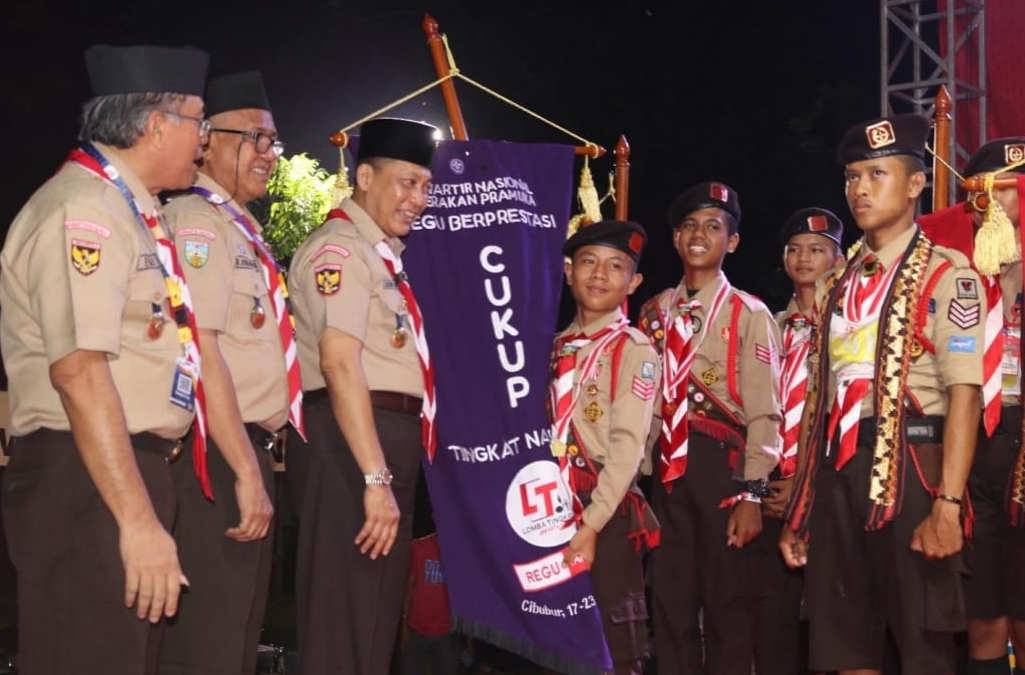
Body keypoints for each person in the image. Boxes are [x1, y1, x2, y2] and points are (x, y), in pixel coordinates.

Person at [0, 44, 209, 675]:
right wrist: (137, 521)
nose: (204, 138)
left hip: (121, 473)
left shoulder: (130, 211)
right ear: (157, 126)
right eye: (199, 120)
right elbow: (78, 371)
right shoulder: (83, 210)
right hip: (87, 478)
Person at [779, 113, 985, 675]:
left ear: (916, 183)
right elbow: (819, 398)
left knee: (925, 645)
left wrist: (948, 503)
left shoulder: (948, 275)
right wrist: (802, 504)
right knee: (845, 642)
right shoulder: (837, 282)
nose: (860, 189)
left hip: (915, 468)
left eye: (876, 174)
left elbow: (964, 395)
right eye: (852, 177)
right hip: (839, 470)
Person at [158, 70, 302, 675]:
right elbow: (202, 349)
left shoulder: (241, 229)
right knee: (208, 643)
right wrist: (244, 470)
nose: (269, 154)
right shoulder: (196, 223)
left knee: (237, 640)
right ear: (206, 141)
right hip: (213, 456)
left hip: (243, 450)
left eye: (273, 141)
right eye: (254, 139)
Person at [286, 117, 438, 675]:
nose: (418, 199)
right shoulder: (342, 250)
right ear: (366, 177)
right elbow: (338, 362)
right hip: (351, 444)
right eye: (406, 182)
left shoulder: (380, 255)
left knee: (371, 619)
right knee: (343, 620)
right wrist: (375, 477)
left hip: (377, 439)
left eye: (425, 186)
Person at [638, 182, 782, 675]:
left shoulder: (749, 313)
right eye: (689, 226)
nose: (699, 235)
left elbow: (765, 411)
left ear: (732, 242)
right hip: (667, 471)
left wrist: (753, 493)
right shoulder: (654, 312)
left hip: (724, 470)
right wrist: (635, 476)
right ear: (676, 239)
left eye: (713, 227)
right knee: (670, 601)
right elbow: (647, 404)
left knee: (728, 604)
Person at [920, 137, 1025, 675]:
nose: (1003, 202)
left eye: (1015, 190)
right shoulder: (951, 269)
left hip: (1021, 437)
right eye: (992, 191)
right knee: (981, 612)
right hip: (968, 436)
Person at [553, 219, 661, 675]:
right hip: (550, 508)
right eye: (588, 262)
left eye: (615, 266)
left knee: (614, 648)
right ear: (568, 272)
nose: (599, 274)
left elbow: (627, 449)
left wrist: (591, 524)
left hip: (605, 510)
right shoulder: (551, 349)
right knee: (557, 645)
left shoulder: (634, 350)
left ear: (632, 283)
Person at [757, 207, 845, 675]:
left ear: (838, 259)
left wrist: (807, 486)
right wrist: (759, 489)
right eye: (794, 249)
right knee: (774, 621)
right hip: (773, 491)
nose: (804, 258)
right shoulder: (769, 326)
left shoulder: (851, 328)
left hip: (829, 488)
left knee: (833, 623)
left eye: (816, 249)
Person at [400, 528, 459, 675]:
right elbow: (409, 586)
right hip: (416, 629)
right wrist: (404, 623)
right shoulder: (418, 547)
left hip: (447, 631)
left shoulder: (461, 552)